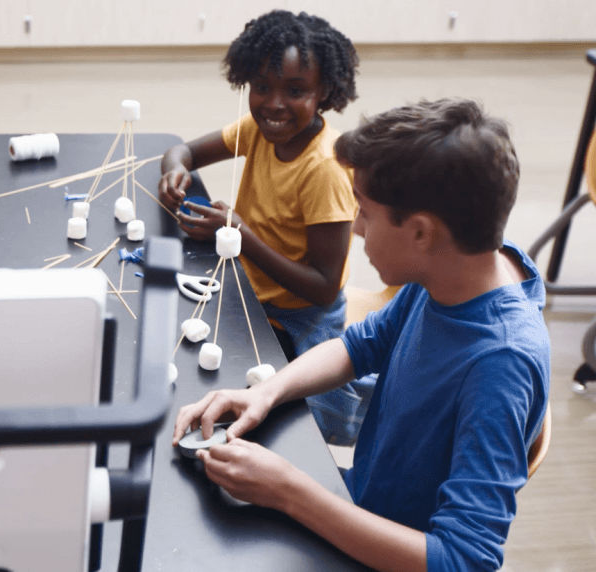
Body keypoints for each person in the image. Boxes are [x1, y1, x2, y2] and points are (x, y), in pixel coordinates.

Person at [172, 99, 550, 572]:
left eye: (366, 214)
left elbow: (465, 560)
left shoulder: (501, 363)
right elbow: (358, 346)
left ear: (420, 233)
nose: (354, 227)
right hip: (361, 502)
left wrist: (291, 491)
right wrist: (264, 393)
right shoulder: (453, 271)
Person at [158, 10, 365, 444]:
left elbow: (324, 288)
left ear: (324, 91)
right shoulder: (257, 130)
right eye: (262, 87)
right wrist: (174, 172)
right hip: (250, 293)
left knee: (284, 427)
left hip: (301, 317)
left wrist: (241, 235)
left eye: (295, 91)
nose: (274, 104)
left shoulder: (323, 170)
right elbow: (182, 151)